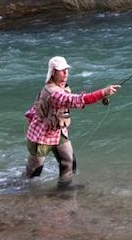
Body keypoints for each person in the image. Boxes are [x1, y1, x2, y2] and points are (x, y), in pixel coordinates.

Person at [24, 55, 118, 184]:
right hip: (40, 136)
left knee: (69, 163)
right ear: (52, 73)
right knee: (33, 173)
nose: (65, 73)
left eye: (66, 69)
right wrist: (102, 93)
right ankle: (21, 194)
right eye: (61, 70)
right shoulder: (54, 92)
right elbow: (77, 100)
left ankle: (64, 193)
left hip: (59, 132)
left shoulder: (60, 87)